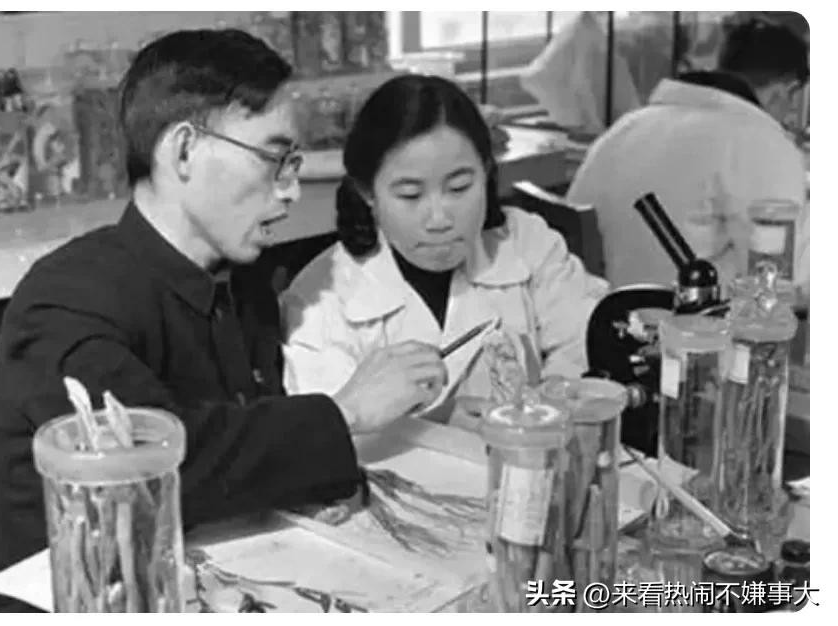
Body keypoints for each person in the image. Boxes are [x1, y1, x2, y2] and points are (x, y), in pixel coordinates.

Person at [0, 30, 446, 612]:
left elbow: (244, 448)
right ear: (183, 152)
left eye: (293, 163)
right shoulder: (65, 300)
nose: (291, 189)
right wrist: (346, 412)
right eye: (273, 159)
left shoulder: (242, 277)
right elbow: (156, 466)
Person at [281, 74, 608, 427]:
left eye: (459, 188)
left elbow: (586, 347)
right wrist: (434, 423)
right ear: (367, 193)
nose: (439, 219)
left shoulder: (527, 244)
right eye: (410, 195)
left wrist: (544, 408)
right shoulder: (321, 299)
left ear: (486, 173)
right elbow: (328, 434)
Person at [566, 15, 809, 292]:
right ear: (784, 92)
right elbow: (782, 280)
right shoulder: (761, 142)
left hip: (595, 308)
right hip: (679, 314)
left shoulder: (629, 125)